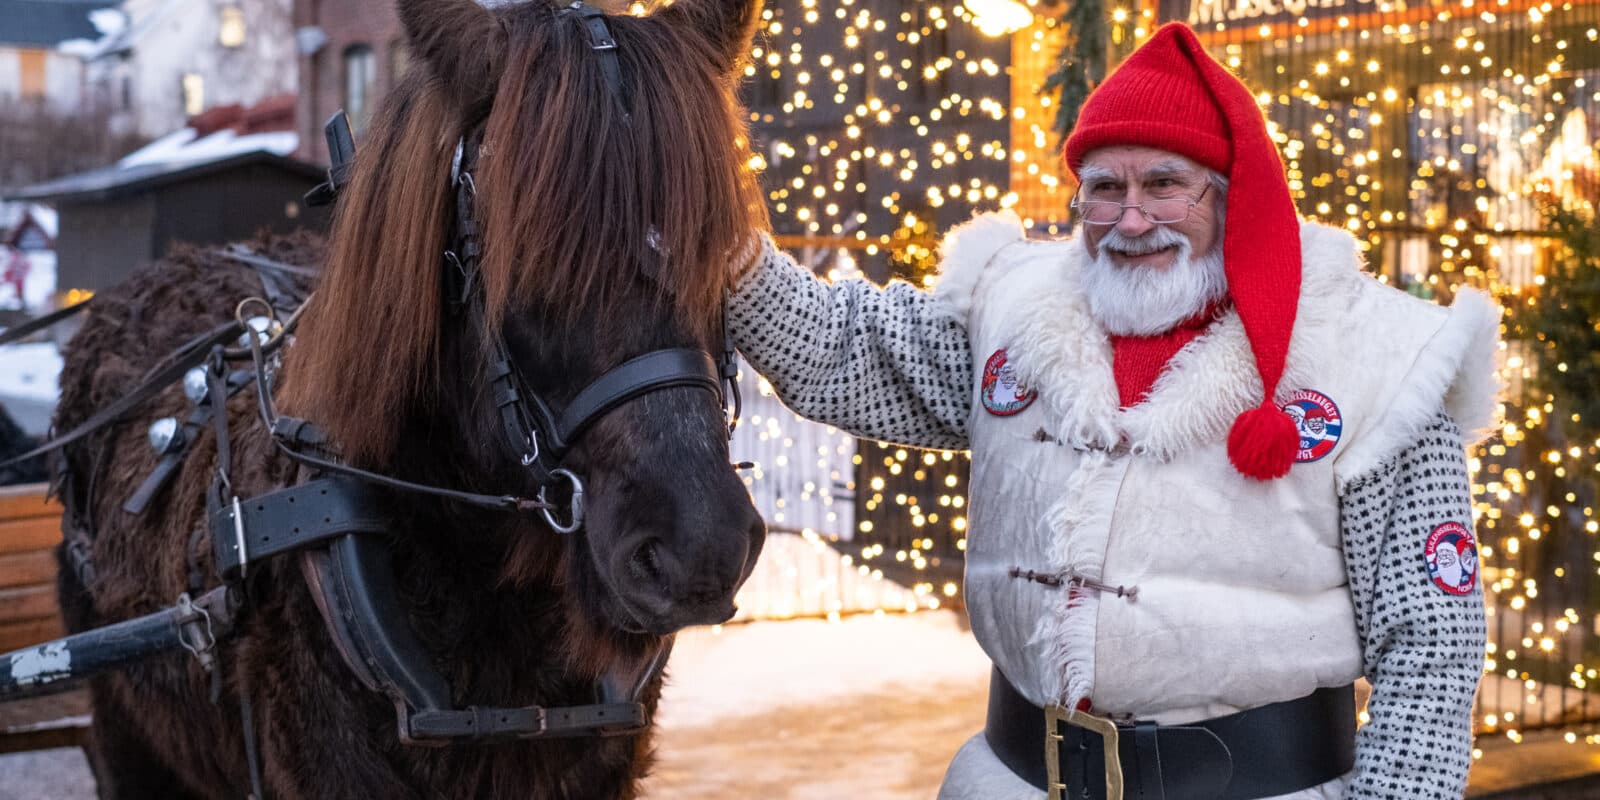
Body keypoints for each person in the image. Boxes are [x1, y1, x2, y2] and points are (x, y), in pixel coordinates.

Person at [728, 22, 1496, 800]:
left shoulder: (1378, 358)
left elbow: (1432, 642)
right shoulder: (1015, 310)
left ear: (1233, 195)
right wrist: (722, 249)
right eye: (1104, 188)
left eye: (1164, 185)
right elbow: (846, 348)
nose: (1131, 219)